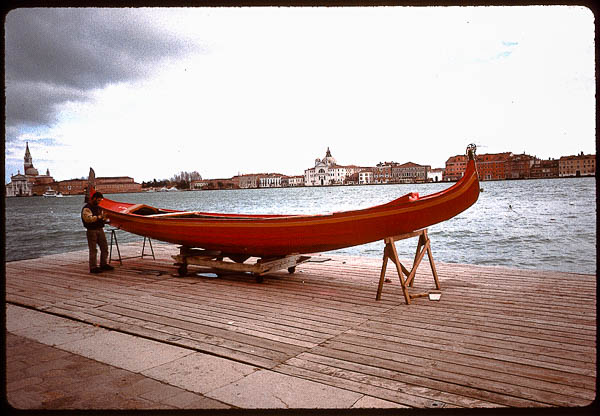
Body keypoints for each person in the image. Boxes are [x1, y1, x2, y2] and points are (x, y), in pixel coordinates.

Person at [82, 191, 114, 273]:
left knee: (104, 248)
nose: (99, 202)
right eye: (98, 200)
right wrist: (99, 217)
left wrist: (105, 220)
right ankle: (93, 267)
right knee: (93, 250)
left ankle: (103, 264)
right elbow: (88, 219)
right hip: (91, 230)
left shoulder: (99, 207)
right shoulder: (87, 208)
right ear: (94, 199)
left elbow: (101, 218)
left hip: (100, 229)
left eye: (100, 200)